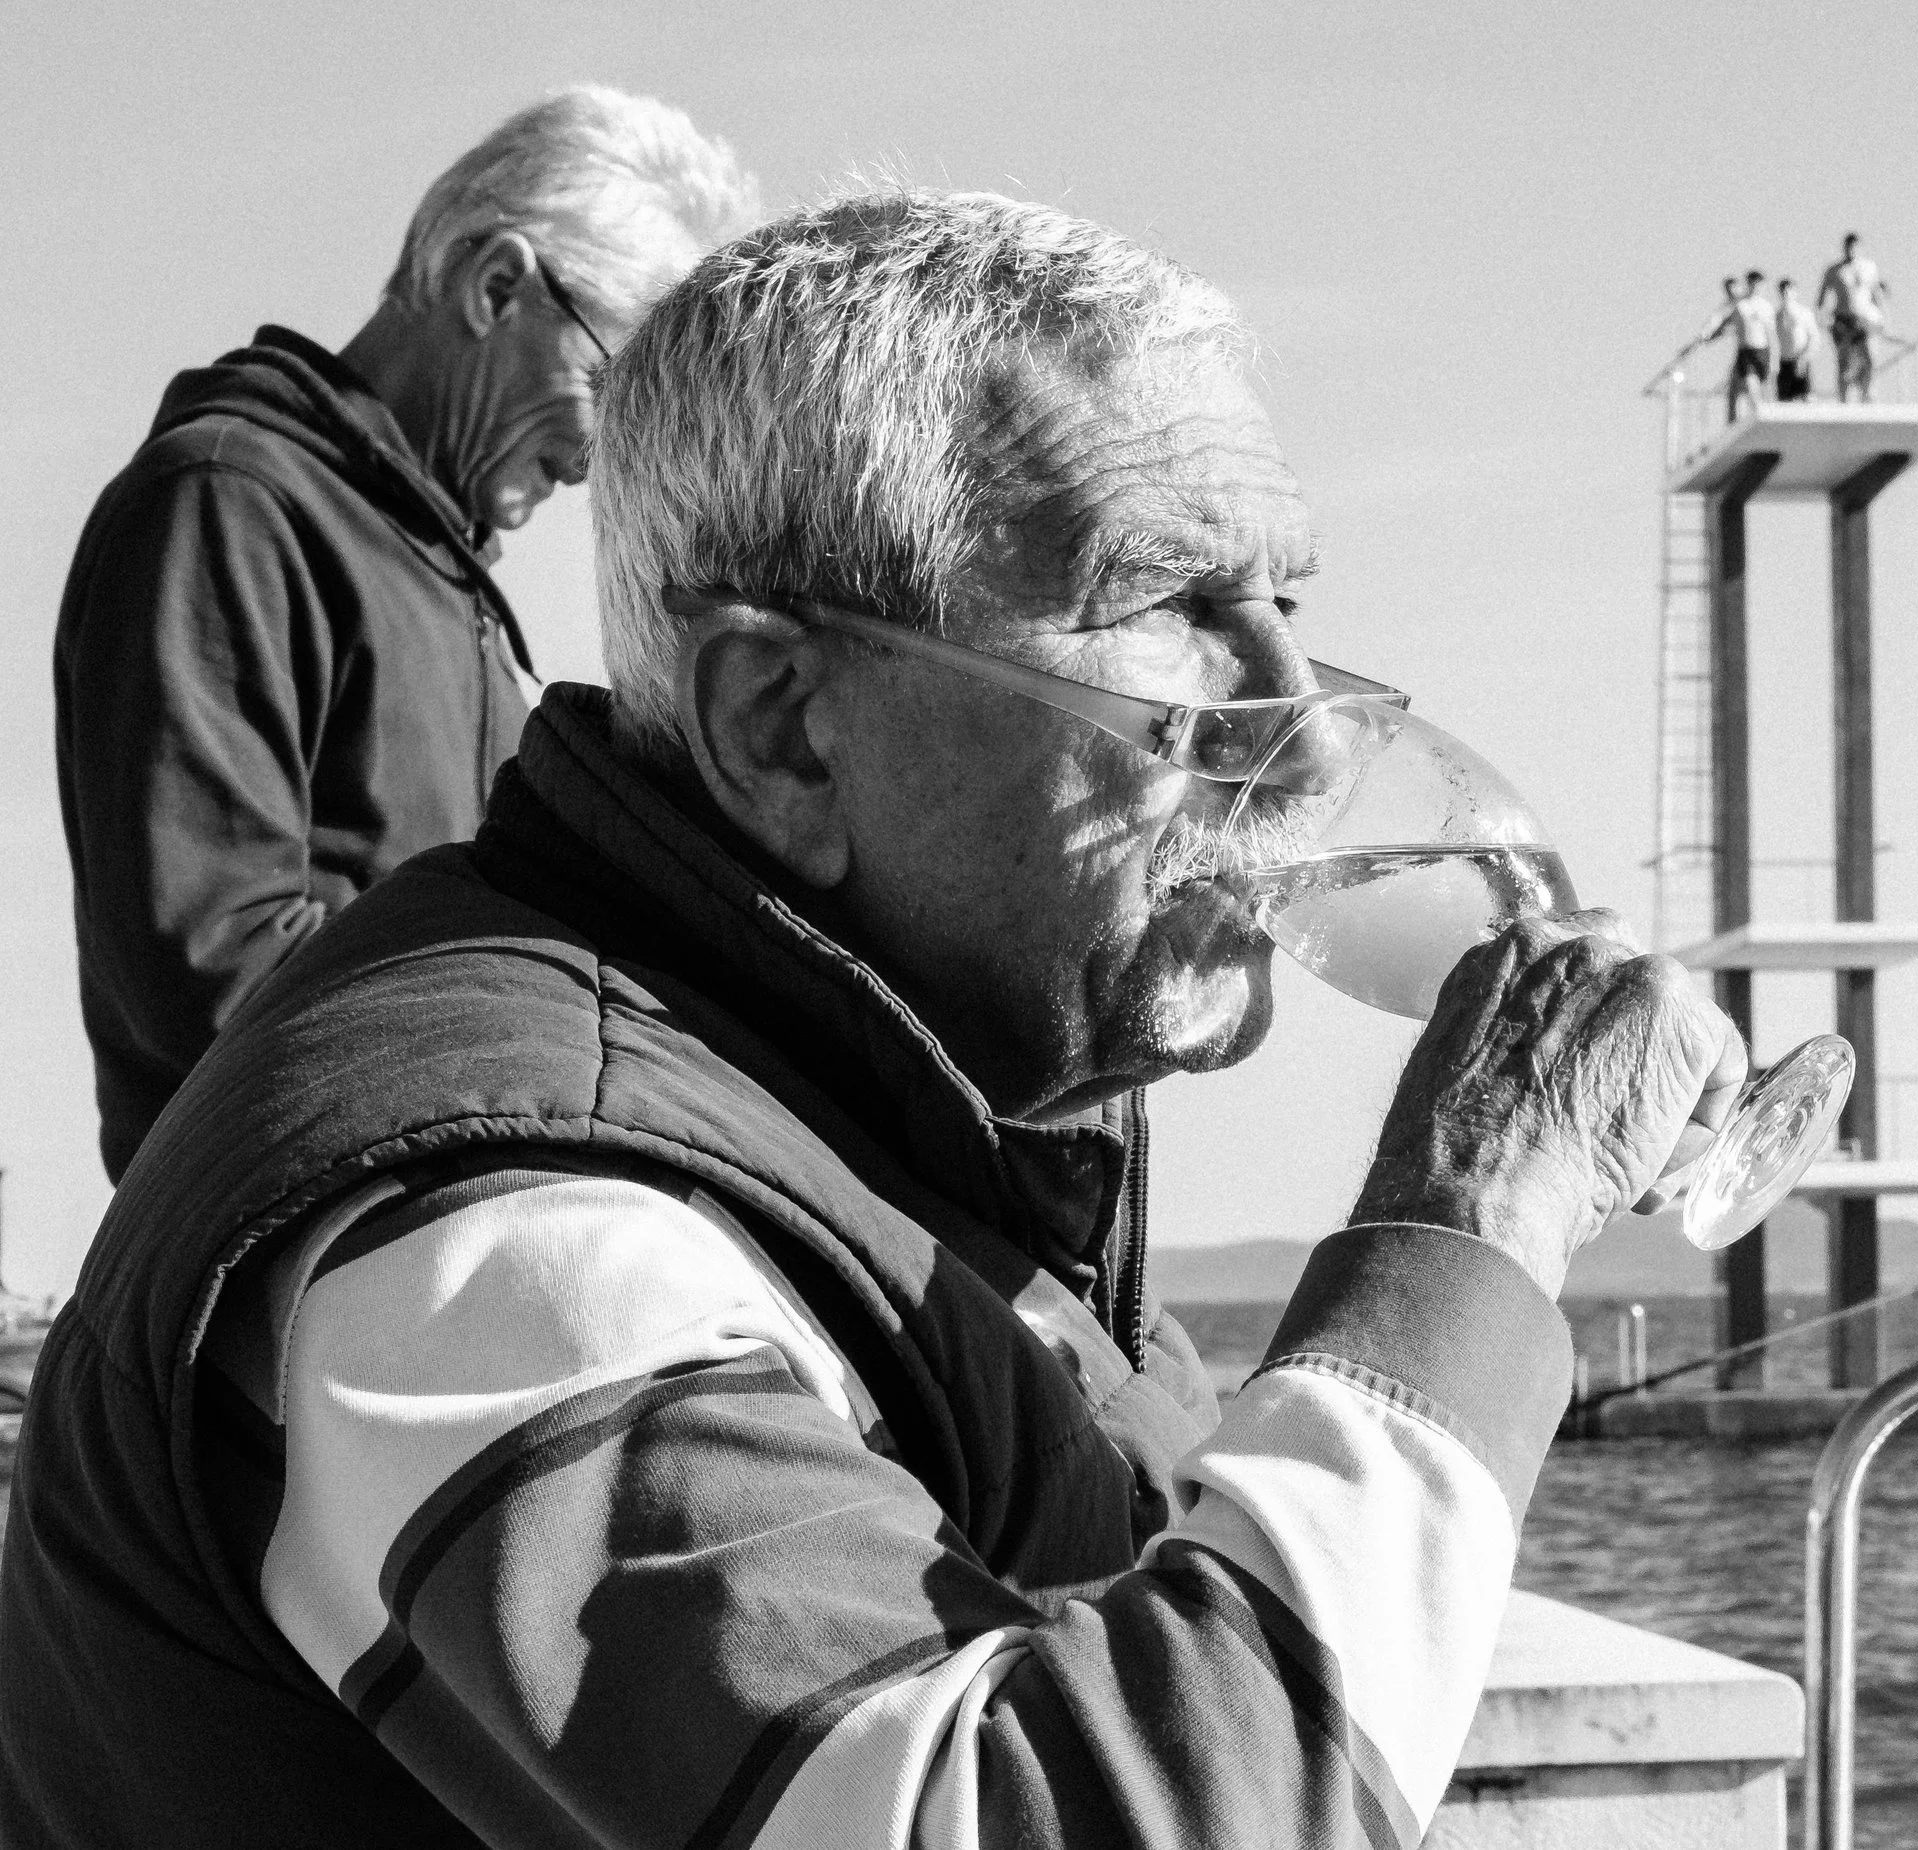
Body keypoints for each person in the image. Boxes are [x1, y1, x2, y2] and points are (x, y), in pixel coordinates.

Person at [0, 190, 1747, 1848]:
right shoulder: (500, 1227)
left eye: (1282, 604)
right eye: (1172, 609)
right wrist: (1475, 1213)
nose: (1302, 740)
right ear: (781, 724)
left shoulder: (910, 1118)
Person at [51, 86, 760, 1181]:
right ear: (496, 286)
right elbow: (210, 966)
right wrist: (559, 1041)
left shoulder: (442, 583)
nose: (596, 466)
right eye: (607, 390)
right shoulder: (229, 502)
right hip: (294, 1240)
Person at [1817, 231, 1889, 403]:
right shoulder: (1834, 270)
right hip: (1843, 320)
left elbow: (1877, 294)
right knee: (1844, 362)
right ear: (1844, 248)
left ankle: (1867, 394)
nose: (1851, 251)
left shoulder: (1869, 267)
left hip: (1864, 319)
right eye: (1849, 247)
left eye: (1855, 247)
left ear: (1860, 248)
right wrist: (1824, 319)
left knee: (1869, 357)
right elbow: (1822, 298)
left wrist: (1884, 318)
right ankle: (1843, 399)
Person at [1709, 269, 1776, 419]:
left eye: (1759, 285)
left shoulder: (1766, 307)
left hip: (1762, 351)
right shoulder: (1741, 305)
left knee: (1764, 389)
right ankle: (1753, 415)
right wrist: (1711, 336)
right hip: (1745, 351)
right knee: (1749, 384)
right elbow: (1725, 324)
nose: (1756, 288)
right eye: (1753, 284)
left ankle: (1764, 416)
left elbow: (1771, 335)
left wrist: (1774, 359)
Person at [1774, 276, 1818, 401]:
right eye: (1782, 290)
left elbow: (1814, 337)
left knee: (1807, 398)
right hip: (1784, 362)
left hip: (1801, 360)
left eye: (1788, 290)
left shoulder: (1804, 313)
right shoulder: (1777, 315)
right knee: (1784, 401)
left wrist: (1804, 358)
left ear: (1795, 292)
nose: (1785, 293)